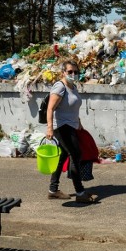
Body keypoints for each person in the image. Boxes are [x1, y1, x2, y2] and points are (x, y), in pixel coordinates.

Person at [46, 60, 98, 203]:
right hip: (61, 127)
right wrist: (49, 127)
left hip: (72, 126)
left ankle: (53, 190)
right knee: (75, 155)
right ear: (63, 72)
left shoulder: (73, 87)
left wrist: (79, 123)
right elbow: (50, 108)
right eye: (70, 72)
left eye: (76, 72)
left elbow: (72, 108)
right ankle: (80, 192)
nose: (73, 74)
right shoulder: (60, 87)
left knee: (63, 155)